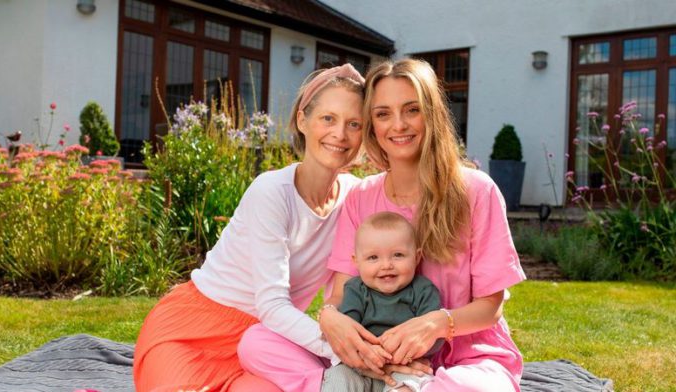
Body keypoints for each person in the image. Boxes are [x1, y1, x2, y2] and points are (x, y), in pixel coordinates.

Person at [239, 58, 526, 392]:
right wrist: (331, 317)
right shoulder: (361, 197)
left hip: (463, 358)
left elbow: (490, 307)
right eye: (383, 113)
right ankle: (345, 383)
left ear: (431, 114)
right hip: (373, 355)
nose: (398, 125)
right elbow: (340, 294)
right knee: (257, 342)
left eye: (412, 110)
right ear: (372, 124)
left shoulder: (476, 190)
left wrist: (435, 324)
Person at [132, 63, 366, 392]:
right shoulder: (272, 191)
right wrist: (352, 353)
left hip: (266, 344)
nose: (340, 134)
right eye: (328, 118)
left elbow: (406, 186)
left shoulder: (357, 197)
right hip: (194, 332)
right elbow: (272, 305)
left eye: (354, 124)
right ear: (303, 120)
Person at [322, 211, 443, 392]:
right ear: (356, 261)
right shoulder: (355, 289)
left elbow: (433, 336)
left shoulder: (423, 290)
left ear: (417, 257)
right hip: (359, 367)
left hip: (406, 367)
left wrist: (402, 353)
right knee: (338, 379)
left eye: (398, 255)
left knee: (410, 386)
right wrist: (368, 352)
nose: (386, 265)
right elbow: (349, 328)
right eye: (373, 257)